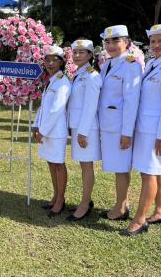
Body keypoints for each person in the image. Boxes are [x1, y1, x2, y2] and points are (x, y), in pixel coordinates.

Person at [124, 24, 161, 236]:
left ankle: (140, 220)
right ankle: (160, 210)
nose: (156, 45)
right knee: (157, 170)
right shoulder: (152, 63)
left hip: (155, 130)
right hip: (145, 126)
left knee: (148, 172)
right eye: (153, 41)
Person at [98, 25, 142, 221]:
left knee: (121, 167)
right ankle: (121, 204)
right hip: (107, 125)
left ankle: (121, 207)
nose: (110, 45)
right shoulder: (108, 64)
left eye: (115, 40)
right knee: (117, 166)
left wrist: (127, 133)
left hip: (119, 127)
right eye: (107, 41)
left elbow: (131, 102)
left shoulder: (131, 65)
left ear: (127, 42)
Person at [33, 45, 71, 217]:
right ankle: (55, 196)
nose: (49, 63)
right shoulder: (51, 80)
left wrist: (43, 130)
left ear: (61, 62)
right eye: (47, 59)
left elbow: (57, 109)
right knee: (51, 163)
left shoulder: (63, 81)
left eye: (54, 60)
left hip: (55, 131)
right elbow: (44, 107)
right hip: (46, 130)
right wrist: (36, 125)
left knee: (58, 164)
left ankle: (61, 199)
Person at [66, 39, 102, 222]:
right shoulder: (79, 73)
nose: (77, 55)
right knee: (83, 165)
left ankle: (85, 204)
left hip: (86, 128)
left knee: (87, 166)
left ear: (90, 55)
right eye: (75, 52)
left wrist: (83, 132)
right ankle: (86, 200)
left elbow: (91, 106)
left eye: (82, 52)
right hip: (78, 126)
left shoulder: (92, 76)